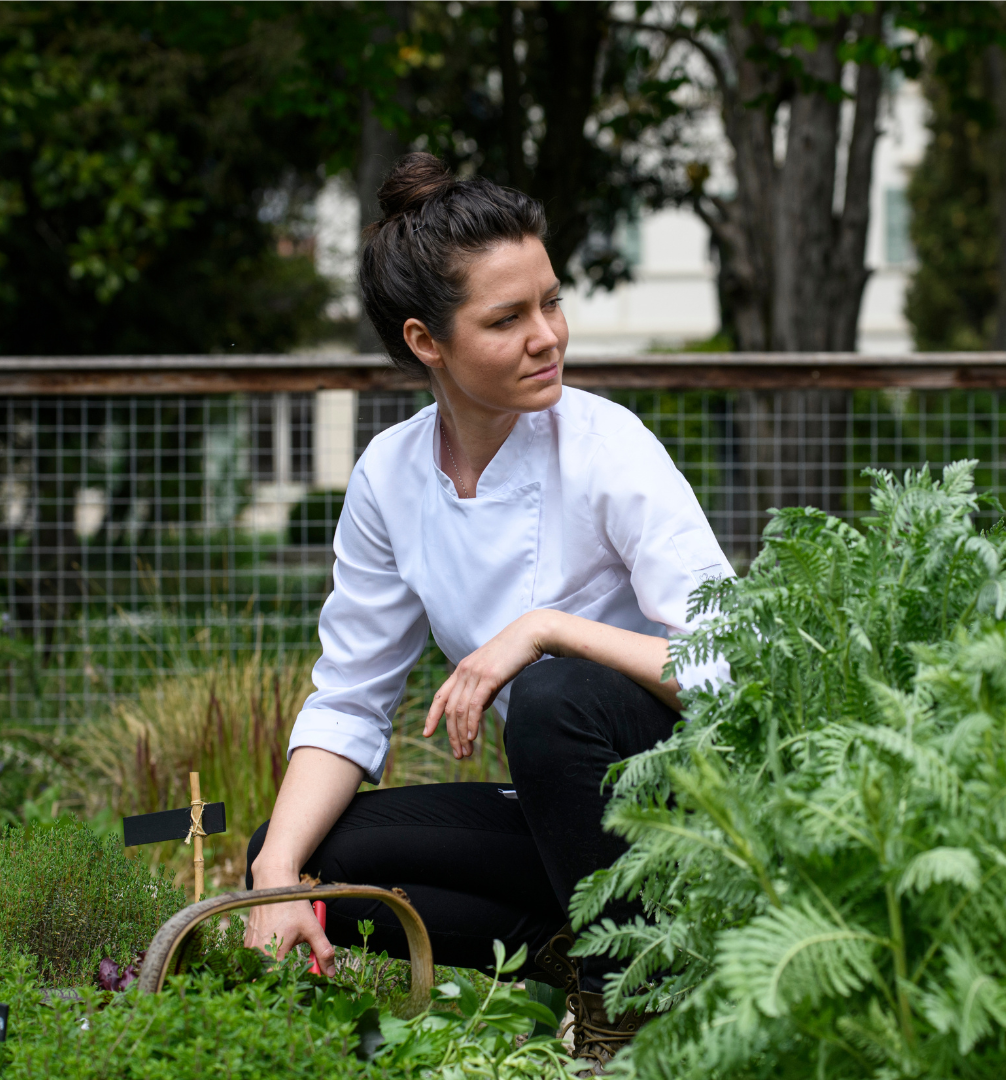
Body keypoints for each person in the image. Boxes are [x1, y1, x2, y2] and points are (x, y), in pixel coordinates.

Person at [244, 152, 732, 1064]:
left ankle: (630, 1007)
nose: (548, 335)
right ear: (428, 342)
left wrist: (546, 629)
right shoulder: (390, 476)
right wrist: (274, 878)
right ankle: (569, 948)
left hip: (693, 811)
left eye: (551, 301)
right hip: (572, 828)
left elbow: (735, 668)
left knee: (554, 695)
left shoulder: (607, 445)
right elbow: (349, 700)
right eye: (507, 318)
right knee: (298, 851)